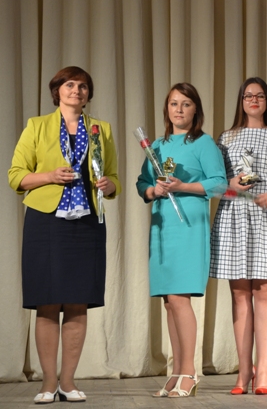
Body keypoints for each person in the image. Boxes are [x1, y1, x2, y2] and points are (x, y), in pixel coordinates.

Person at [8, 66, 120, 404]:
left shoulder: (101, 129)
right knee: (46, 302)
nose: (76, 90)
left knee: (77, 301)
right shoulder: (37, 126)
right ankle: (47, 383)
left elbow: (113, 177)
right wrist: (49, 176)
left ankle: (68, 382)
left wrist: (108, 185)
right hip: (46, 221)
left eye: (83, 86)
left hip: (87, 222)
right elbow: (16, 176)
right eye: (69, 84)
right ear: (57, 90)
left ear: (88, 94)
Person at [136, 83, 227, 398]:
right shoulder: (157, 145)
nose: (179, 109)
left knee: (179, 298)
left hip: (189, 226)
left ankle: (189, 371)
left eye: (186, 104)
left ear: (195, 109)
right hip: (163, 227)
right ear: (167, 109)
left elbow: (219, 184)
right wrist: (155, 190)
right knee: (169, 302)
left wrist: (182, 187)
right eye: (174, 103)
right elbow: (143, 183)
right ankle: (176, 372)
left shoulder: (203, 143)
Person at [210, 77, 267, 395]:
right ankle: (243, 370)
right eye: (248, 95)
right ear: (241, 101)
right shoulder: (226, 137)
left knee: (264, 292)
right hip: (235, 215)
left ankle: (263, 372)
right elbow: (215, 184)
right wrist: (231, 184)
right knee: (239, 294)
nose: (254, 100)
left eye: (259, 95)